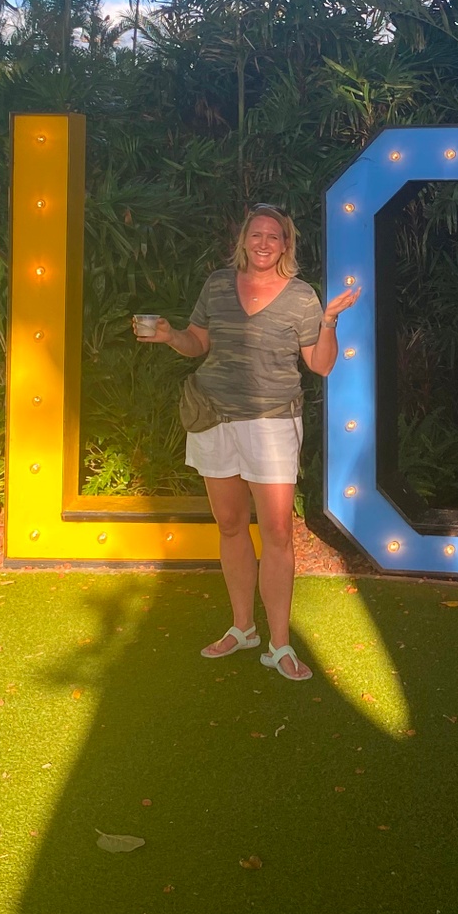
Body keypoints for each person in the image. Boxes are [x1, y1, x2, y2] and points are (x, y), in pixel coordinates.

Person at [133, 205, 358, 680]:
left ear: (285, 245)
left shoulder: (301, 296)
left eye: (273, 237)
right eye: (256, 235)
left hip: (272, 424)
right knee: (231, 525)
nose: (263, 243)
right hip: (214, 416)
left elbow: (320, 365)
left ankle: (280, 644)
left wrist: (330, 320)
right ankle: (243, 628)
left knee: (277, 532)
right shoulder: (218, 285)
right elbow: (198, 343)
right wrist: (172, 336)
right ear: (244, 241)